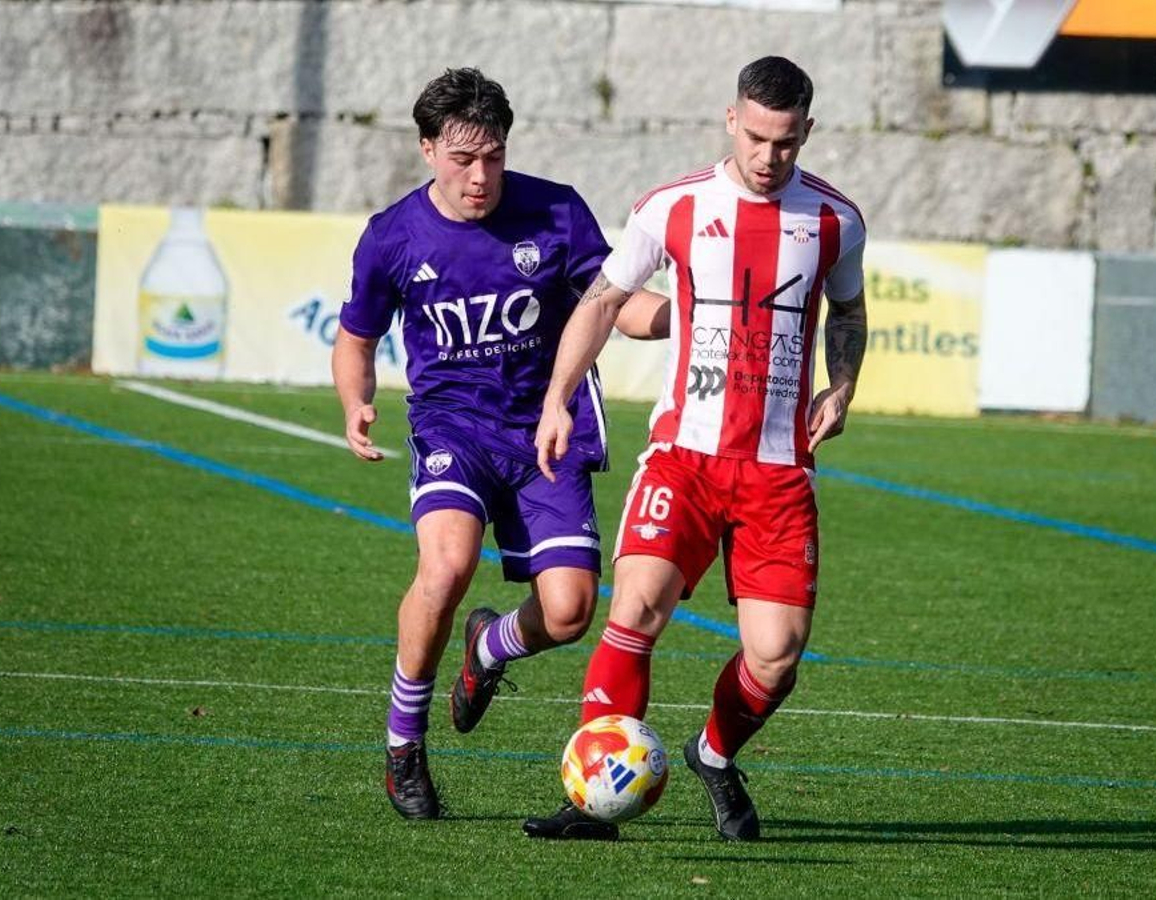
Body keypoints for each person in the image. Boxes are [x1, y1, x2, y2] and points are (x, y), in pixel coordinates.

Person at [525, 56, 869, 842]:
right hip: (685, 457)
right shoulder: (673, 206)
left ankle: (715, 753)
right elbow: (605, 300)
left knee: (776, 657)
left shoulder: (835, 221)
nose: (767, 156)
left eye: (784, 142)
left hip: (779, 472)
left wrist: (842, 385)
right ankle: (592, 801)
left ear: (806, 133)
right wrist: (557, 400)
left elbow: (847, 312)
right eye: (754, 137)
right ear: (730, 121)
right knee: (637, 606)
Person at [332, 67, 652, 820]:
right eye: (463, 158)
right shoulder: (392, 237)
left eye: (495, 157)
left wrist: (689, 315)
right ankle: (404, 745)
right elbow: (356, 336)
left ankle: (489, 649)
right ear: (427, 150)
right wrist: (357, 401)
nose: (481, 177)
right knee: (445, 567)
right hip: (453, 429)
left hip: (546, 427)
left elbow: (617, 306)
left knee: (570, 612)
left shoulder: (557, 212)